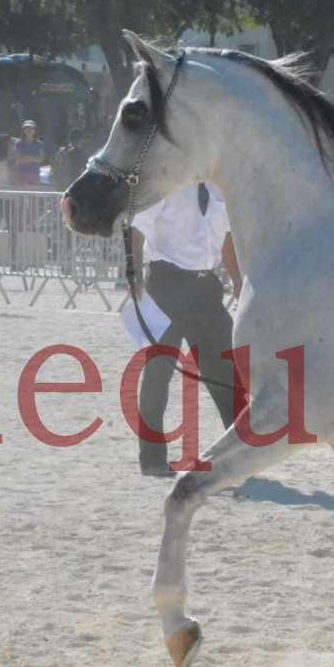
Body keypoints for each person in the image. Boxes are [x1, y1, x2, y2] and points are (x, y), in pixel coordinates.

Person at [131, 182, 242, 477]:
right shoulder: (166, 183)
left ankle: (238, 455)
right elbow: (138, 227)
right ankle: (152, 459)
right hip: (165, 284)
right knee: (159, 372)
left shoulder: (220, 189)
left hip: (206, 288)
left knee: (227, 372)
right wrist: (132, 272)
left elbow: (228, 242)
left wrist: (240, 286)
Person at [11, 120, 46, 186]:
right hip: (21, 174)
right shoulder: (18, 144)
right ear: (23, 130)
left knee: (34, 195)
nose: (29, 130)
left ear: (35, 130)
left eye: (31, 128)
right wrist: (33, 159)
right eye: (27, 128)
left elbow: (40, 159)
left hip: (35, 174)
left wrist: (26, 158)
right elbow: (17, 159)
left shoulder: (39, 144)